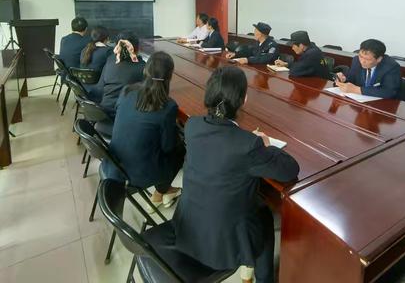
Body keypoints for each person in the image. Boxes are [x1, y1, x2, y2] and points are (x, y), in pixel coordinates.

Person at [173, 66, 299, 283]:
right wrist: (266, 145)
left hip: (187, 226)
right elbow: (290, 170)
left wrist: (249, 140)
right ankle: (264, 278)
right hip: (223, 245)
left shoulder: (192, 125)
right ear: (244, 99)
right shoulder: (249, 145)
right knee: (266, 216)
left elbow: (223, 144)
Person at [101, 51, 184, 206]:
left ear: (145, 70)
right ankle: (160, 192)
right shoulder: (168, 106)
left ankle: (164, 192)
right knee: (181, 149)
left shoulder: (127, 90)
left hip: (115, 163)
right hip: (138, 174)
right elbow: (167, 148)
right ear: (170, 76)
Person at [94, 30, 146, 118]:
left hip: (103, 111)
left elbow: (100, 88)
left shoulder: (110, 60)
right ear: (137, 48)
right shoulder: (141, 67)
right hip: (122, 115)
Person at [335, 39, 401, 99]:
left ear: (379, 59)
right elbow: (351, 81)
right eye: (360, 56)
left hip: (382, 105)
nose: (362, 61)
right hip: (360, 102)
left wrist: (357, 90)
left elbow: (389, 92)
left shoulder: (391, 67)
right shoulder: (356, 60)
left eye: (367, 59)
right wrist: (343, 80)